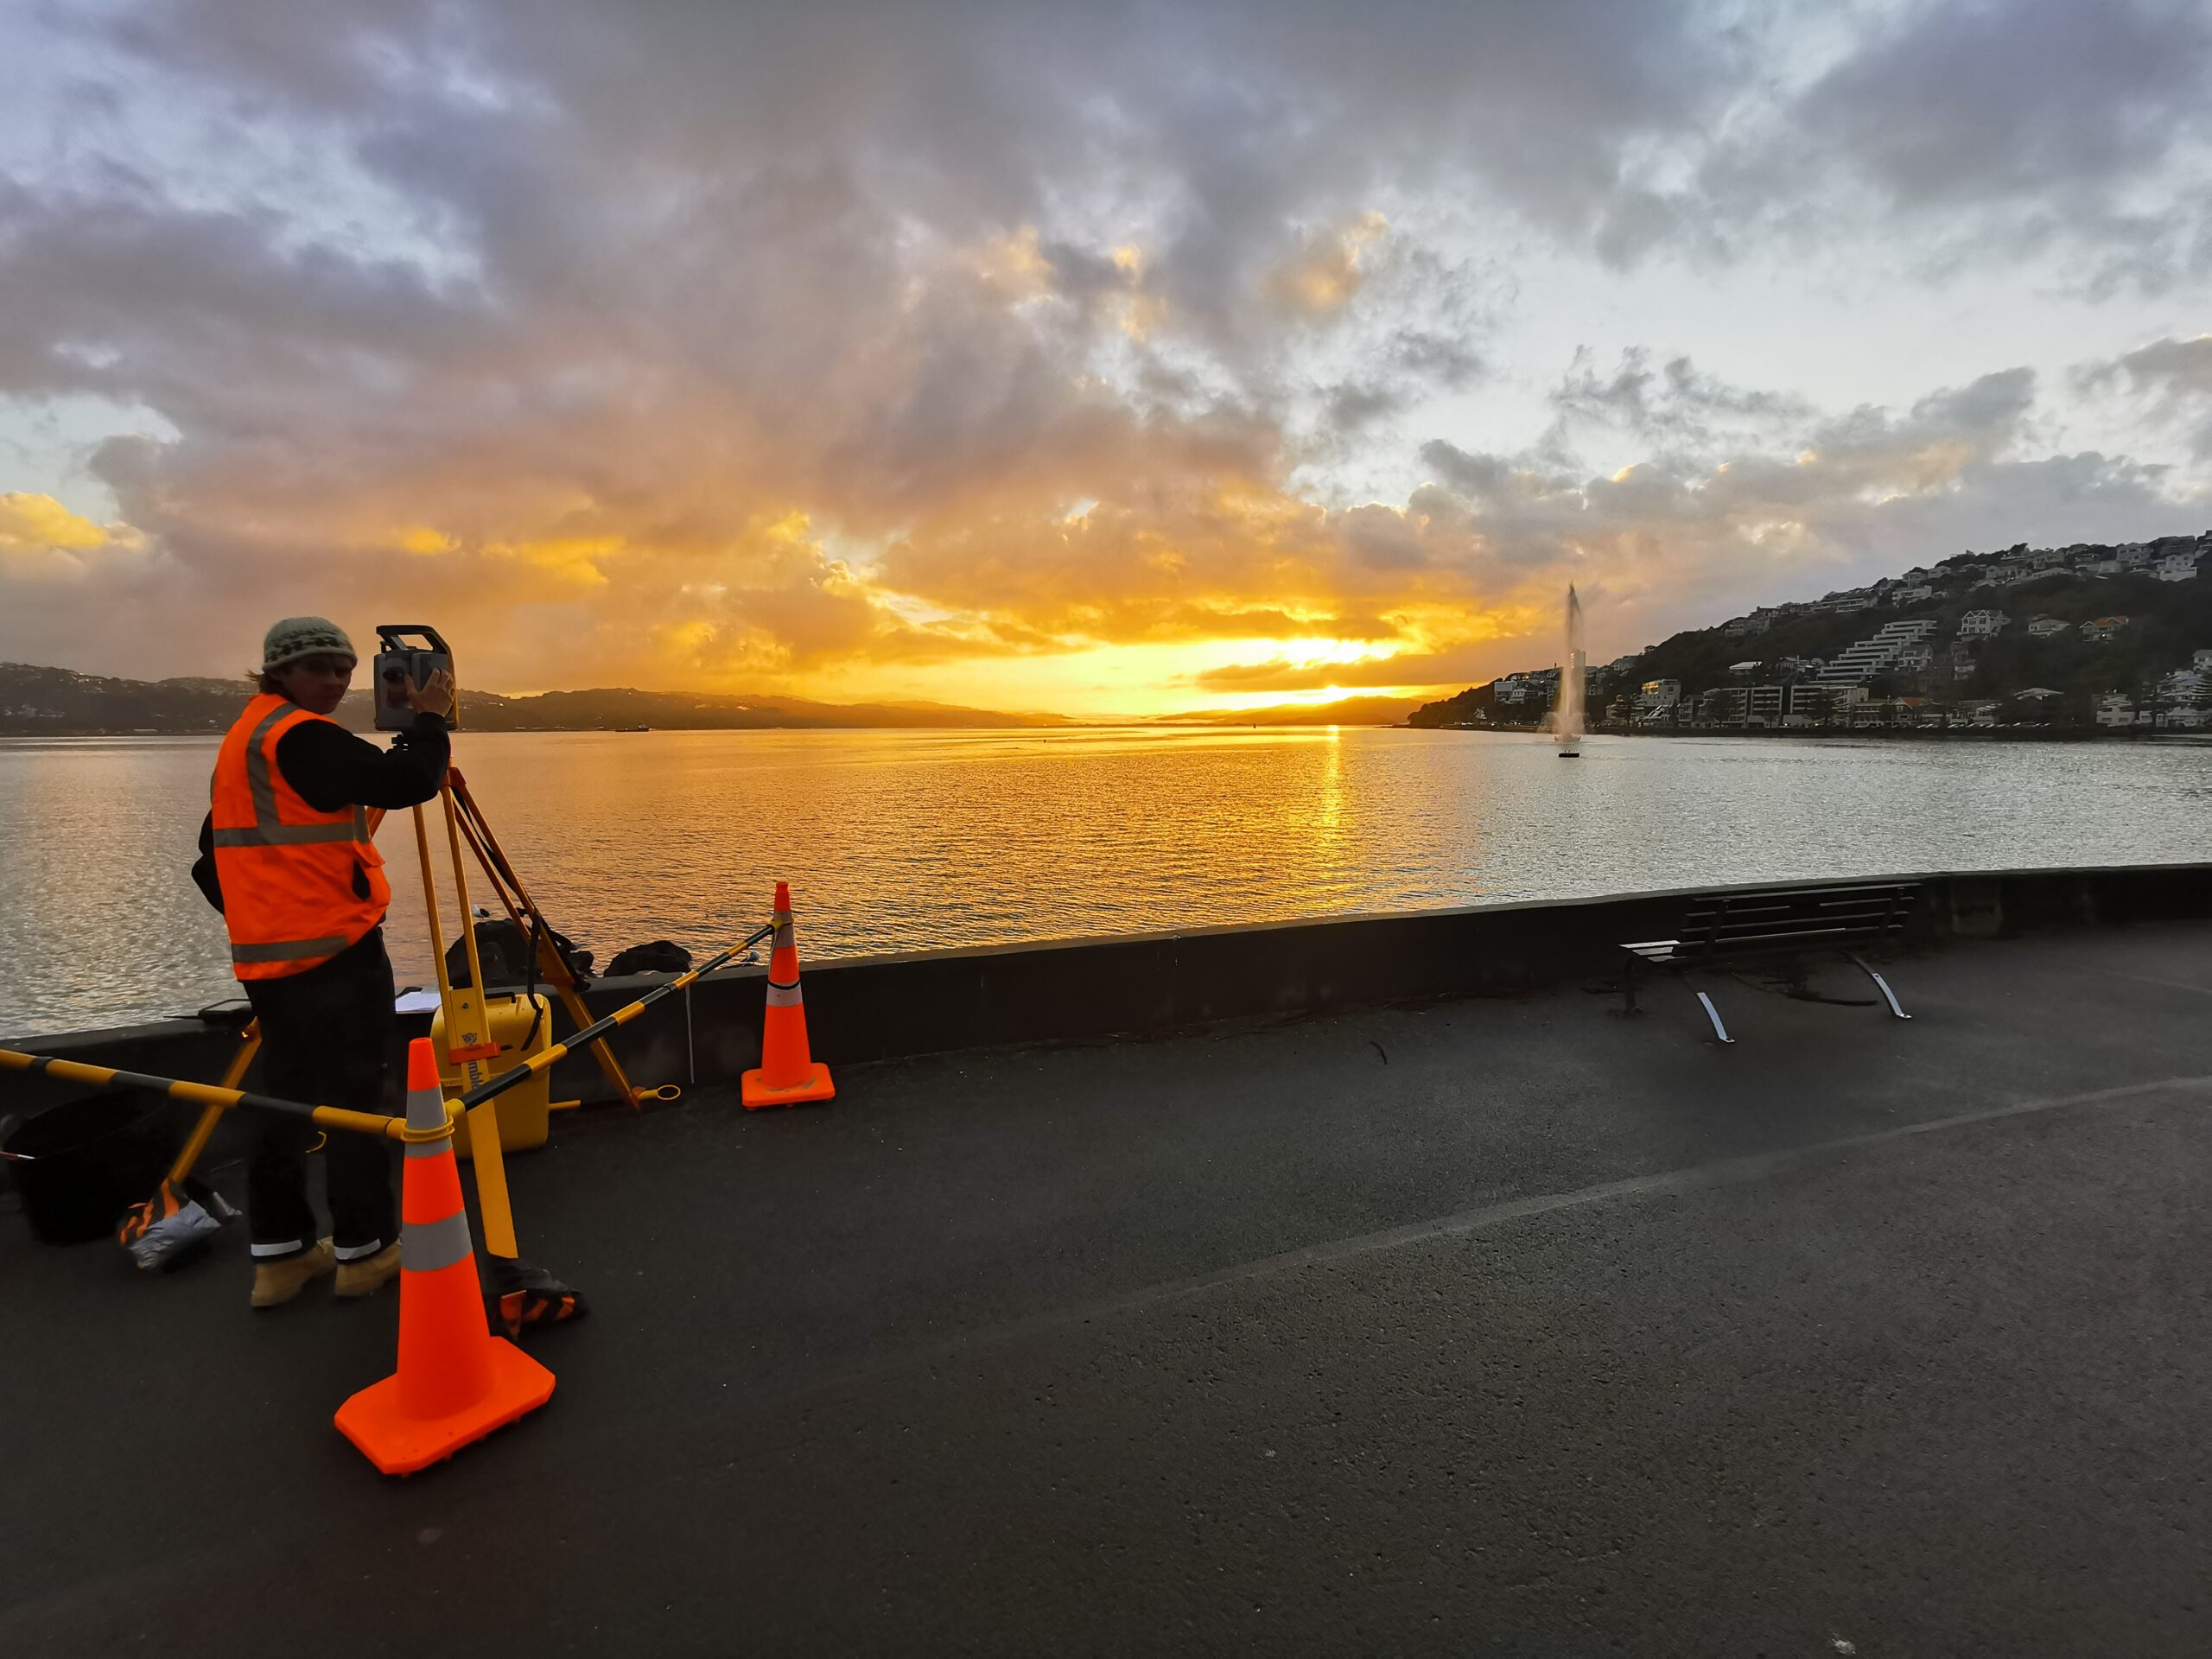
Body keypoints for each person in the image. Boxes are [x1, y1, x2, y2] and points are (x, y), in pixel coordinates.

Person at [191, 617, 456, 1308]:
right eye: (318, 670)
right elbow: (406, 781)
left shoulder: (247, 737)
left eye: (344, 670)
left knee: (282, 1102)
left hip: (269, 957)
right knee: (354, 1104)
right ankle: (365, 1251)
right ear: (278, 672)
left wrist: (262, 913)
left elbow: (209, 850)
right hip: (333, 952)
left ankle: (279, 1259)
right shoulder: (301, 735)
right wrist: (429, 723)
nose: (335, 682)